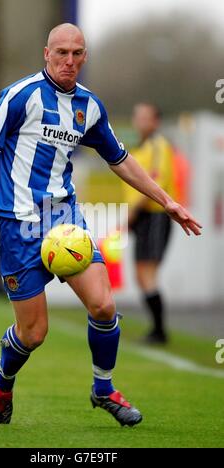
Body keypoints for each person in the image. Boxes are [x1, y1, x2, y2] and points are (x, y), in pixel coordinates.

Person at [0, 24, 202, 426]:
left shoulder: (90, 106)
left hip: (64, 220)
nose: (68, 61)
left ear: (85, 57)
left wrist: (166, 200)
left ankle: (103, 388)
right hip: (17, 223)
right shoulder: (20, 96)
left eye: (77, 53)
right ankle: (3, 379)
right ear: (46, 54)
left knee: (104, 305)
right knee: (33, 333)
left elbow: (121, 159)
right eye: (61, 52)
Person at [122, 103, 177, 344]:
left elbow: (155, 183)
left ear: (155, 122)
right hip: (141, 217)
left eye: (145, 118)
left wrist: (132, 213)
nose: (140, 122)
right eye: (137, 118)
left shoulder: (159, 146)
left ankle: (160, 331)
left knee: (148, 273)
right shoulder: (140, 148)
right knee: (140, 274)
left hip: (154, 215)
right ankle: (157, 329)